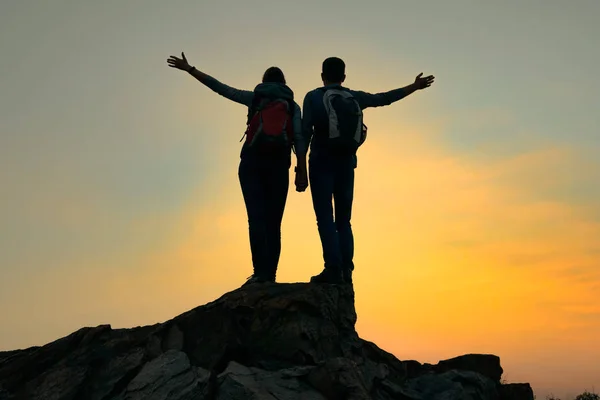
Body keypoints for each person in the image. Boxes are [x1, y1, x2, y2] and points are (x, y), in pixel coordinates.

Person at [167, 52, 308, 285]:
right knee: (274, 223)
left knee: (256, 220)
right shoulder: (292, 106)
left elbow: (221, 88)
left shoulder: (254, 98)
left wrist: (190, 69)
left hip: (252, 163)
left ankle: (259, 274)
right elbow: (300, 138)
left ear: (264, 82)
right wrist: (302, 172)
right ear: (284, 83)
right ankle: (270, 276)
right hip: (279, 165)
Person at [297, 57, 435, 285]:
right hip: (346, 164)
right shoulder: (354, 97)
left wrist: (300, 167)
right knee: (344, 220)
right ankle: (346, 270)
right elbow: (384, 99)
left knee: (325, 218)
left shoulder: (313, 97)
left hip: (321, 162)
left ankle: (332, 268)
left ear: (322, 76)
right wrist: (414, 86)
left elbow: (304, 133)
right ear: (343, 77)